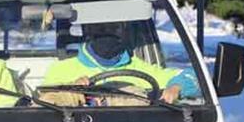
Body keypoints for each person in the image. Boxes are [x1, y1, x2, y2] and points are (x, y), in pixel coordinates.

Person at [41, 21, 198, 104]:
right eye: (100, 28)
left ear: (123, 32)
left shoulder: (140, 69)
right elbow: (45, 104)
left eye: (113, 27)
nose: (106, 32)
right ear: (88, 31)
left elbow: (194, 77)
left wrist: (176, 87)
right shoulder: (60, 69)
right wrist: (71, 89)